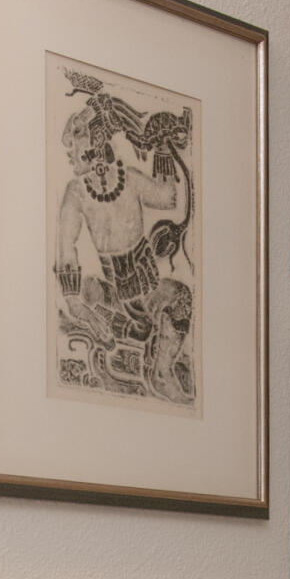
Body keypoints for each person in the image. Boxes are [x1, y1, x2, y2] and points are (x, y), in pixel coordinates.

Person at [50, 72, 196, 406]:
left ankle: (160, 369)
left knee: (179, 297)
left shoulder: (124, 179)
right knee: (180, 297)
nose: (70, 153)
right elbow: (66, 246)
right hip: (127, 291)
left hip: (142, 287)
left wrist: (162, 149)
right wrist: (73, 301)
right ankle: (158, 367)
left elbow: (167, 198)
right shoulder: (78, 191)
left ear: (93, 144)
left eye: (74, 145)